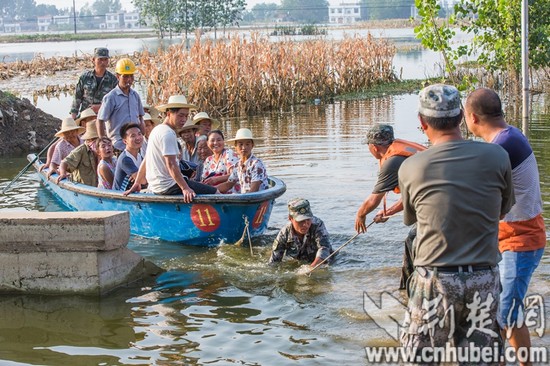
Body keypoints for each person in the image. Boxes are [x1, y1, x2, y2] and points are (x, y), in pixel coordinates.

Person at [398, 84, 514, 358]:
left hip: (434, 281)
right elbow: (502, 211)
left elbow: (413, 219)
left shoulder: (411, 166)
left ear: (421, 122)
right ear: (462, 116)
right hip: (484, 279)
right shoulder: (498, 156)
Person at [464, 87, 545, 366]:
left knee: (502, 314)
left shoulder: (501, 146)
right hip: (512, 238)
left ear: (472, 117)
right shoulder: (508, 137)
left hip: (520, 241)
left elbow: (466, 187)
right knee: (510, 311)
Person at [354, 124, 426, 290]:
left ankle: (409, 291)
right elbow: (410, 196)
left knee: (413, 242)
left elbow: (374, 199)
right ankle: (407, 289)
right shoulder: (404, 155)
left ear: (374, 147)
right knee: (411, 241)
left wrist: (360, 214)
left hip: (436, 208)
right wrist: (388, 212)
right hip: (440, 202)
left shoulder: (392, 161)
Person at [124, 95, 218, 202]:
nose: (183, 120)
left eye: (186, 116)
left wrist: (137, 182)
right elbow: (171, 164)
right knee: (216, 192)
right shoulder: (167, 133)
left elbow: (146, 160)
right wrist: (185, 188)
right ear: (169, 114)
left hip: (156, 186)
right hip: (168, 186)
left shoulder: (156, 130)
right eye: (180, 116)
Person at [97, 57, 144, 152]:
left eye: (131, 76)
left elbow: (140, 117)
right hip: (119, 144)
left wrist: (142, 136)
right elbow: (100, 120)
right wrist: (103, 141)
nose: (129, 80)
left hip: (135, 142)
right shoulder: (111, 97)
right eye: (125, 76)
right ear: (118, 76)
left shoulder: (135, 96)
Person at [269, 198, 333, 267]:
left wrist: (311, 268)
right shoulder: (284, 233)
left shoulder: (317, 225)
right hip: (298, 260)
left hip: (318, 261)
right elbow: (274, 262)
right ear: (290, 218)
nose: (305, 224)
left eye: (308, 219)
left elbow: (324, 248)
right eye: (301, 221)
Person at [70, 47, 117, 119]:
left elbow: (116, 102)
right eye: (100, 59)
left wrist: (100, 107)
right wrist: (73, 117)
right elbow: (77, 98)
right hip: (85, 117)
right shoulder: (85, 78)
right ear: (93, 60)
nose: (103, 62)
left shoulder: (113, 80)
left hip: (104, 117)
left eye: (105, 59)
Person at [218, 128, 269, 194]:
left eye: (247, 144)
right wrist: (211, 190)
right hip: (245, 198)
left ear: (252, 145)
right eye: (240, 144)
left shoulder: (256, 164)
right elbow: (229, 184)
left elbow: (254, 190)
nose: (244, 148)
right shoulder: (237, 165)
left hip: (257, 199)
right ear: (235, 146)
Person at [57, 120, 100, 186]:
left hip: (99, 186)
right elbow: (64, 163)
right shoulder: (80, 150)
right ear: (88, 140)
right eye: (94, 139)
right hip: (85, 186)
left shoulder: (103, 149)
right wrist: (63, 174)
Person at [114, 123, 145, 191]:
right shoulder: (125, 159)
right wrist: (140, 177)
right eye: (133, 136)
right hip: (120, 197)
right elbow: (143, 181)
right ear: (125, 141)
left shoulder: (140, 156)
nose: (138, 138)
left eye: (139, 134)